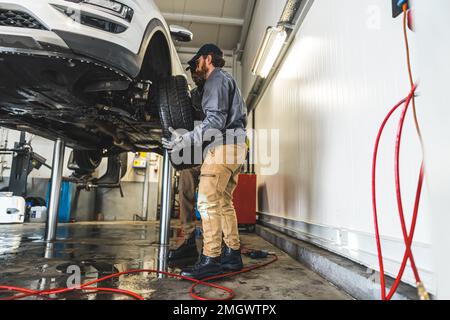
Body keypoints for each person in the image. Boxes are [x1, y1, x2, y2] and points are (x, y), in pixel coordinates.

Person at [162, 44, 248, 279]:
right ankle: (232, 255)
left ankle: (210, 259)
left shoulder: (216, 79)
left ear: (208, 59)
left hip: (224, 146)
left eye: (197, 62)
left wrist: (184, 140)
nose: (195, 68)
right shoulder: (222, 80)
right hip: (237, 146)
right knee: (223, 202)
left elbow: (215, 122)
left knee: (207, 202)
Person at [168, 60, 205, 262]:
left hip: (215, 152)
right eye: (193, 74)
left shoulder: (216, 91)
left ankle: (220, 245)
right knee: (185, 191)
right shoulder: (190, 97)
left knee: (212, 199)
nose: (195, 76)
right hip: (195, 155)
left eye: (197, 72)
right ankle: (189, 241)